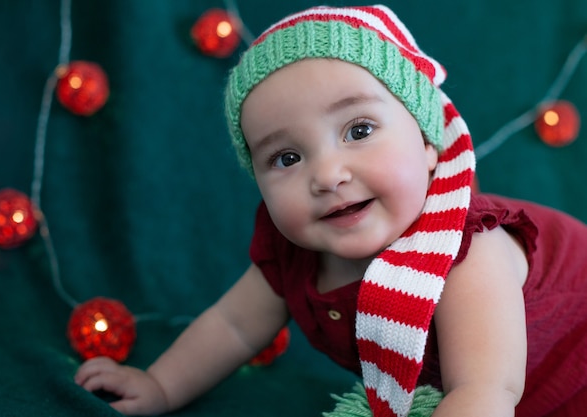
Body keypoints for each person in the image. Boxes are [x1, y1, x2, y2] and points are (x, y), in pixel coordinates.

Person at [74, 5, 587, 417]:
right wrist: (160, 385)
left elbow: (486, 390)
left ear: (427, 143)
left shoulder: (470, 254)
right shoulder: (294, 250)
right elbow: (232, 325)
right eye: (287, 158)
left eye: (358, 131)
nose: (326, 175)